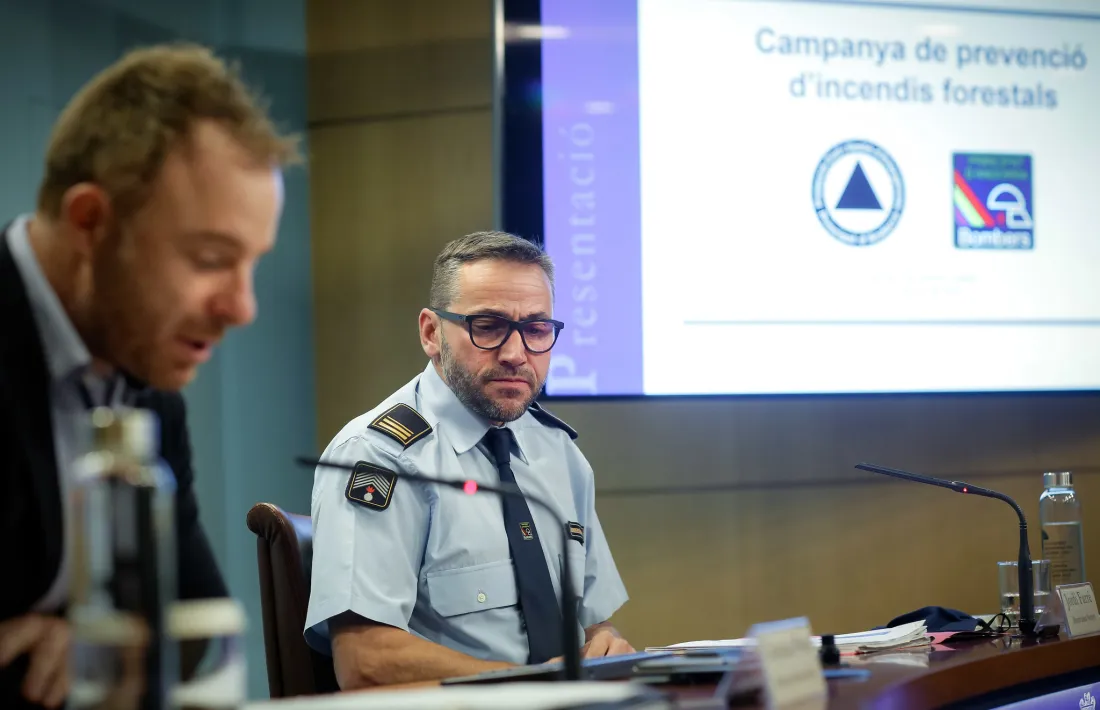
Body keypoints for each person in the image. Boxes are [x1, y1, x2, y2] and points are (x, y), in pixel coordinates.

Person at [0, 43, 299, 709]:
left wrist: (85, 642)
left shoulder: (145, 378)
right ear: (90, 222)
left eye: (253, 264)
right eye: (211, 258)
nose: (242, 308)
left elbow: (192, 630)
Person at [305, 231, 633, 689]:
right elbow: (366, 660)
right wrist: (536, 688)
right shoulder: (377, 457)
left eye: (537, 328)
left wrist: (605, 640)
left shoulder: (558, 453)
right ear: (430, 333)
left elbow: (592, 622)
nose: (516, 354)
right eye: (488, 326)